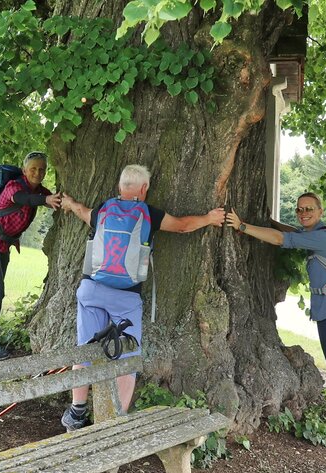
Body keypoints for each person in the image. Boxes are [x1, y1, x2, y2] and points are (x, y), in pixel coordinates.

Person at [59, 164, 224, 431]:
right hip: (125, 296)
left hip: (92, 289)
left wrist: (69, 203)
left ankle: (77, 411)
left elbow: (82, 212)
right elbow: (182, 227)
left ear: (120, 187)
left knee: (85, 348)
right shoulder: (149, 213)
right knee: (128, 356)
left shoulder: (103, 209)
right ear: (144, 188)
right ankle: (116, 419)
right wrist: (210, 218)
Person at [226, 192, 326, 452]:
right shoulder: (318, 234)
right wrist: (271, 222)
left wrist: (242, 226)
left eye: (309, 209)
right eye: (300, 209)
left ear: (321, 211)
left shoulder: (324, 237)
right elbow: (291, 231)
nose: (304, 213)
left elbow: (284, 239)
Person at [0, 151, 62, 361]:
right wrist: (45, 199)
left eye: (42, 169)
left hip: (2, 245)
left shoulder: (41, 191)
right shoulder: (14, 186)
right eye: (33, 168)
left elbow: (46, 199)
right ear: (24, 170)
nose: (37, 173)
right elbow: (23, 199)